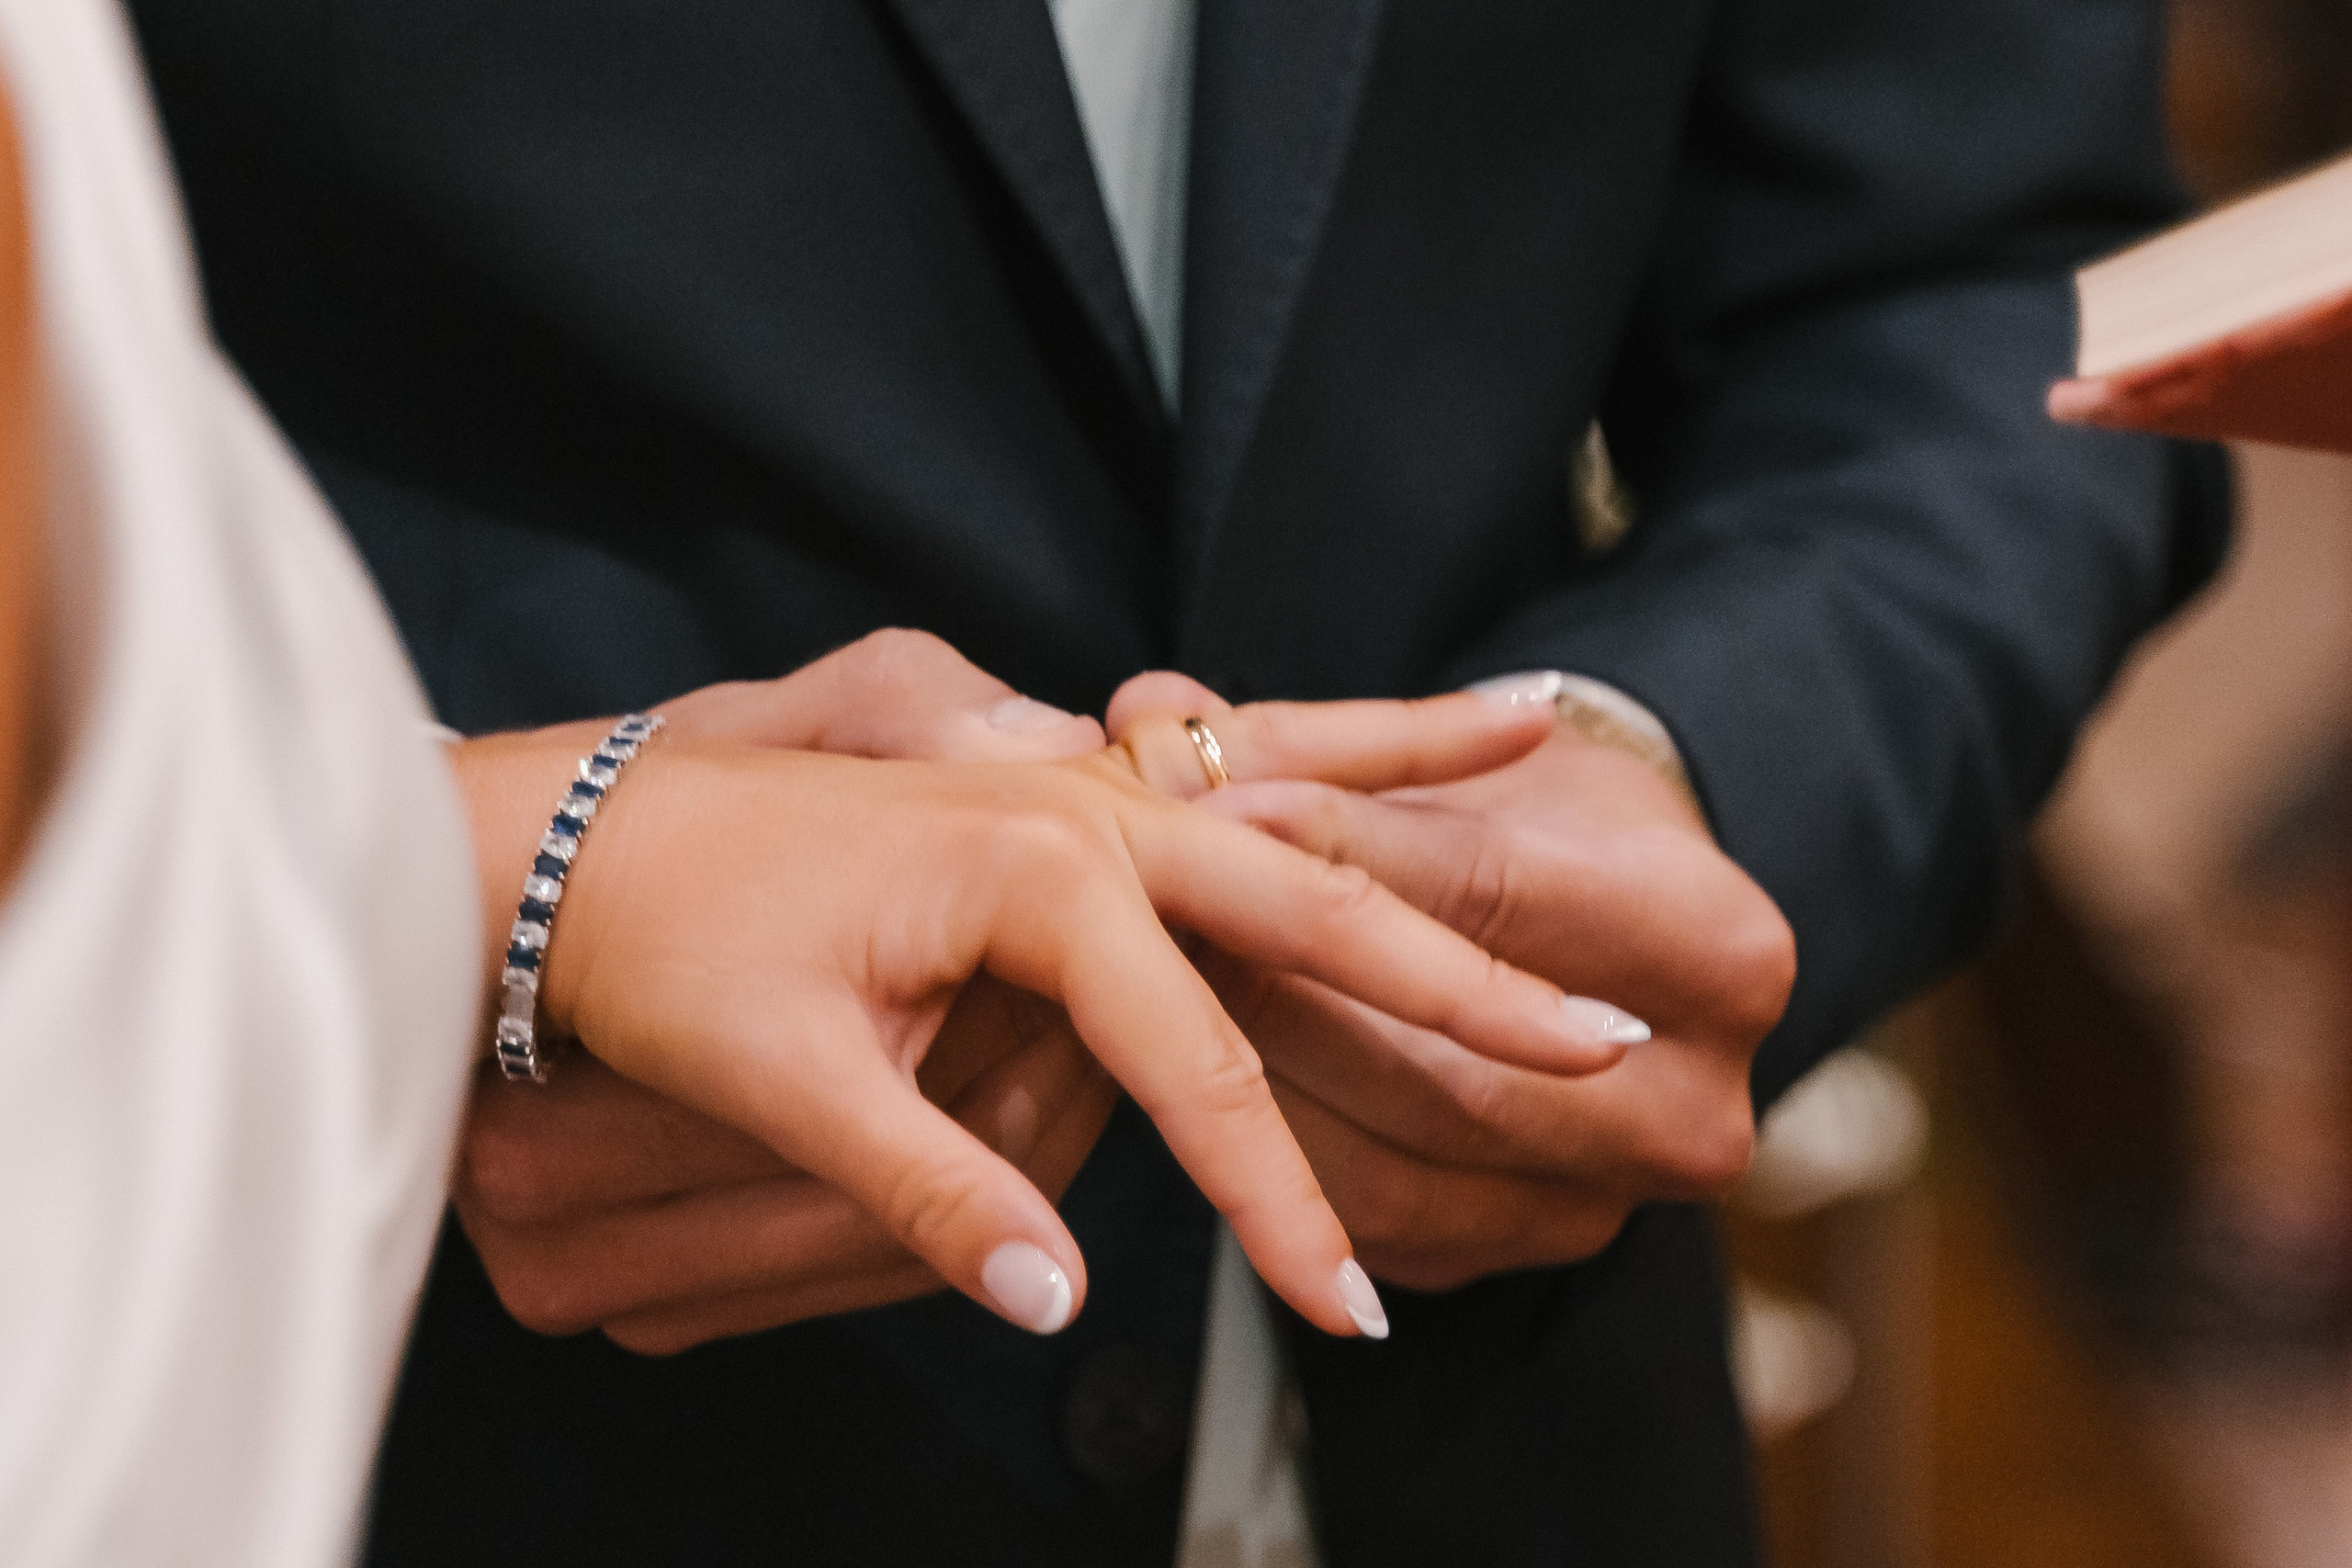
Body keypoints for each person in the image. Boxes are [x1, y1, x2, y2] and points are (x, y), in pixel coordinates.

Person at [122, 0, 2230, 1563]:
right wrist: (435, 874)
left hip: (1504, 1441)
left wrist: (1691, 764)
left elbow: (1967, 281)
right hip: (424, 1444)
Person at [0, 3, 1651, 1561]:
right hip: (458, 1439)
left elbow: (1892, 289)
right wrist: (494, 868)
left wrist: (1684, 761)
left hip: (1502, 1433)